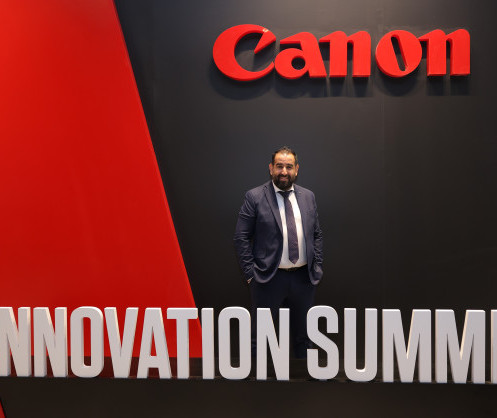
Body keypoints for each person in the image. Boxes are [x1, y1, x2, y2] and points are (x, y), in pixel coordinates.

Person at [234, 146, 323, 358]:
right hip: (268, 279)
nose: (284, 171)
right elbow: (241, 237)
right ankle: (256, 378)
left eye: (289, 167)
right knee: (259, 338)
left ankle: (304, 378)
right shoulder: (255, 197)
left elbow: (317, 234)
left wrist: (316, 266)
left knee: (304, 338)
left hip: (303, 279)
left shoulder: (308, 196)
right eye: (279, 166)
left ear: (297, 169)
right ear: (271, 168)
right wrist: (251, 275)